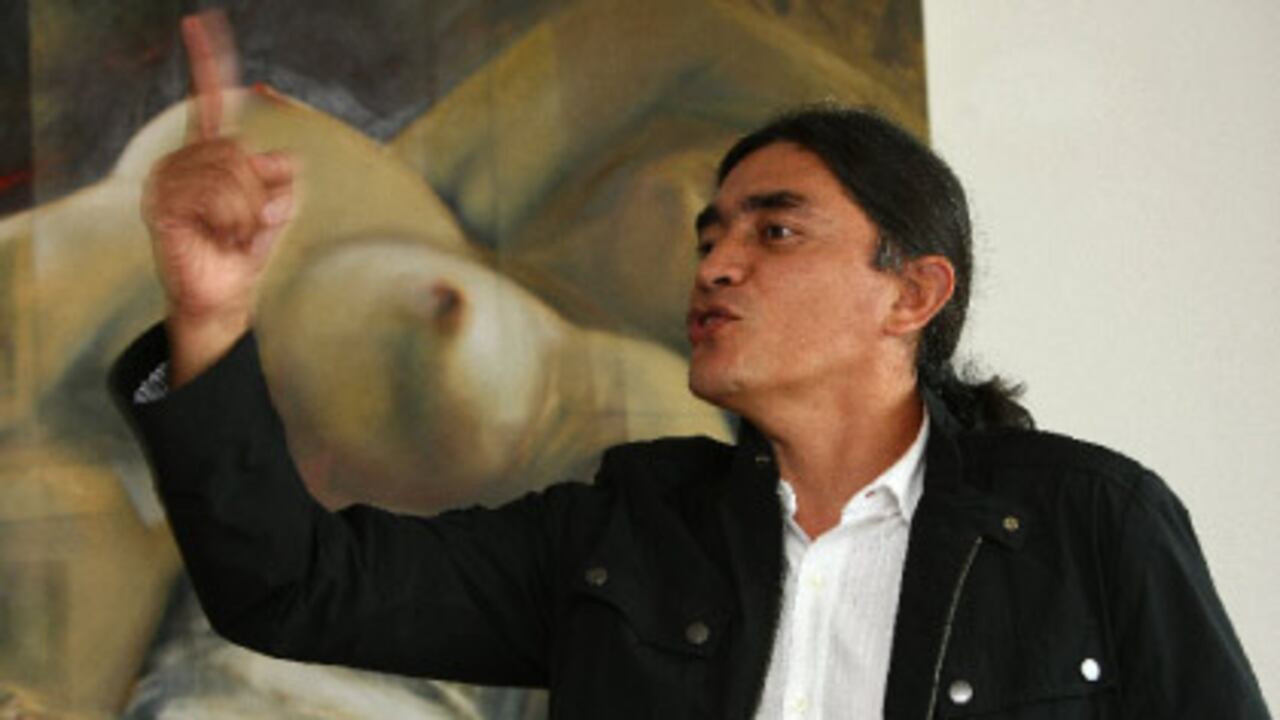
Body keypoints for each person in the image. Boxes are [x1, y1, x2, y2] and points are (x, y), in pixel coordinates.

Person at [111, 12, 1269, 719]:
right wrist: (208, 315)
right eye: (710, 233)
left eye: (775, 230)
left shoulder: (1087, 524)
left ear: (910, 294)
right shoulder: (624, 535)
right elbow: (294, 586)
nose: (714, 262)